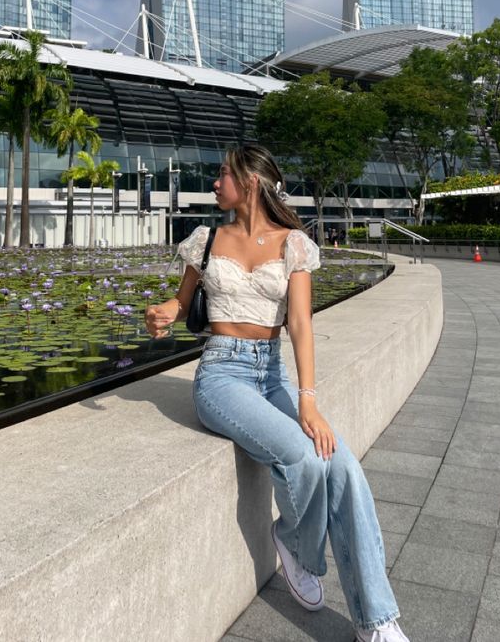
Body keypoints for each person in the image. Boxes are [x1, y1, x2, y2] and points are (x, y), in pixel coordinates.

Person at [145, 144, 409, 642]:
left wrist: (308, 399)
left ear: (249, 183)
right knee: (303, 460)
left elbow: (301, 324)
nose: (215, 181)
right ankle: (295, 546)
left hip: (272, 374)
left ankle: (377, 621)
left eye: (223, 173)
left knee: (343, 465)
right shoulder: (206, 239)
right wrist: (160, 314)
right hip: (221, 375)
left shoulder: (294, 244)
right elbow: (180, 305)